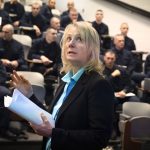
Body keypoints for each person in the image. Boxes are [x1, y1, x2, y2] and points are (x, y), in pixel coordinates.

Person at [11, 21, 114, 150]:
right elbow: (52, 119)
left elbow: (99, 138)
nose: (71, 43)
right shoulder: (66, 80)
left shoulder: (98, 85)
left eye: (79, 39)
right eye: (68, 39)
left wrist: (53, 133)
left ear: (91, 49)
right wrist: (29, 94)